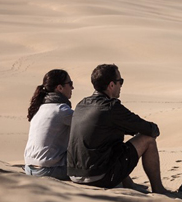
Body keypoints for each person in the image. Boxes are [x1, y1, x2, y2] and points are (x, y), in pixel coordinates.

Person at [67, 64, 168, 194]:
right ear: (111, 85)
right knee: (148, 140)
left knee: (113, 144)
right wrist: (135, 129)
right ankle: (159, 190)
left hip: (74, 174)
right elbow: (151, 130)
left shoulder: (82, 104)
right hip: (98, 177)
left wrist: (123, 128)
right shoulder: (111, 107)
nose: (121, 85)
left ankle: (129, 184)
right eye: (120, 81)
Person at [24, 69, 74, 180]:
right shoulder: (61, 110)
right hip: (48, 171)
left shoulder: (40, 108)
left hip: (29, 168)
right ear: (59, 88)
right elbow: (86, 124)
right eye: (70, 84)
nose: (72, 88)